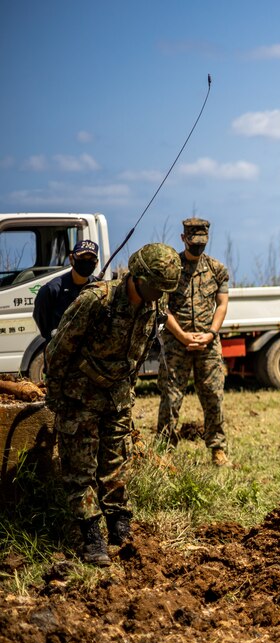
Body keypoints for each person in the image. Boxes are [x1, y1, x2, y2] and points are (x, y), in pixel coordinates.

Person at [45, 243, 181, 565]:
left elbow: (137, 355)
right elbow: (58, 350)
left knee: (116, 466)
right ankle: (92, 537)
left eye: (165, 289)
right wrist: (57, 397)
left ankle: (120, 528)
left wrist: (127, 395)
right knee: (80, 470)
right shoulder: (96, 301)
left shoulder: (155, 306)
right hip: (80, 397)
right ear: (138, 276)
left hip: (117, 398)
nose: (160, 294)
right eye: (156, 287)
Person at [156, 218, 231, 467]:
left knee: (213, 396)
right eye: (193, 242)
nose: (197, 247)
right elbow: (162, 307)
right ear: (183, 238)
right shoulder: (171, 269)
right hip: (177, 343)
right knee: (171, 397)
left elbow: (222, 304)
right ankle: (164, 452)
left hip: (208, 344)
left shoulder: (217, 269)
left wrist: (210, 333)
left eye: (202, 243)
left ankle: (218, 450)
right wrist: (182, 335)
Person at [33, 238, 100, 341]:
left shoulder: (100, 288)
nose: (86, 262)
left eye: (91, 259)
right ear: (71, 258)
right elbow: (43, 323)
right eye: (82, 257)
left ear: (96, 263)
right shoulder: (52, 289)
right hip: (60, 352)